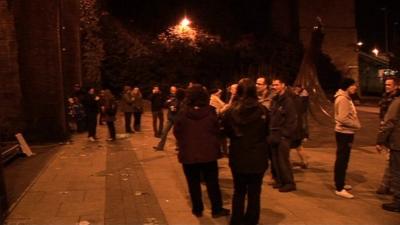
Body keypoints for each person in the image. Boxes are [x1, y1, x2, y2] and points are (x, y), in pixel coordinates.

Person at [173, 84, 230, 218]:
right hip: (208, 153)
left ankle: (197, 209)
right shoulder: (210, 111)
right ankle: (216, 209)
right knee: (212, 183)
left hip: (188, 154)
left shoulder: (183, 112)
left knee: (193, 183)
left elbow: (177, 131)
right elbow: (217, 130)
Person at [222, 78, 269, 225]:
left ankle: (236, 220)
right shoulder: (263, 111)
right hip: (258, 155)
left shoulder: (230, 112)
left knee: (239, 191)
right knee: (255, 193)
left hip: (239, 155)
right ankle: (251, 220)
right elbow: (266, 131)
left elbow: (227, 132)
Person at [268, 77, 297, 192]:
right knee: (275, 160)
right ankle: (280, 181)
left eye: (276, 85)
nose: (274, 87)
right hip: (274, 135)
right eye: (273, 85)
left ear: (283, 85)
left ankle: (289, 183)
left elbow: (292, 120)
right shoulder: (275, 100)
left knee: (283, 160)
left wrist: (285, 134)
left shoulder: (288, 101)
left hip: (282, 136)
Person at [333, 78, 361, 199]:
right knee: (342, 160)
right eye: (353, 85)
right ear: (347, 86)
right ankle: (339, 188)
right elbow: (342, 118)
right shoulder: (343, 99)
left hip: (345, 132)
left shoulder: (344, 97)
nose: (355, 87)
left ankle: (341, 183)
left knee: (343, 159)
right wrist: (357, 125)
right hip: (344, 133)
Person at [376, 93, 400, 212]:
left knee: (397, 172)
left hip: (398, 144)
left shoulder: (397, 102)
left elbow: (390, 122)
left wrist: (380, 140)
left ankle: (398, 201)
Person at [153, 86, 184, 151]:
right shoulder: (169, 97)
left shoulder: (179, 98)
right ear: (170, 91)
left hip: (176, 118)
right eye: (172, 90)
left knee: (176, 133)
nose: (173, 92)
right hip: (170, 118)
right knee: (164, 132)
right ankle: (160, 146)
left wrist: (175, 108)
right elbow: (165, 104)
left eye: (174, 90)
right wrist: (169, 103)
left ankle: (179, 146)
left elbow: (180, 107)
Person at [290, 85, 310, 169]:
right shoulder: (299, 100)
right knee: (298, 146)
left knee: (288, 147)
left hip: (294, 129)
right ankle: (305, 162)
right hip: (298, 129)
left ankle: (288, 163)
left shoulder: (293, 102)